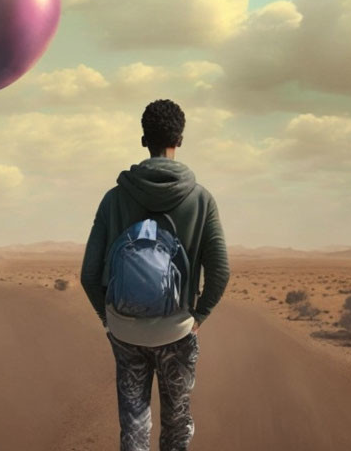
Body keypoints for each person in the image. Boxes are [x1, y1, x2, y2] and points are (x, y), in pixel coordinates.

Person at [80, 99, 230, 451]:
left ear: (144, 139)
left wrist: (110, 318)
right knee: (176, 425)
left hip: (125, 329)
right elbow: (221, 271)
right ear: (180, 139)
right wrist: (199, 317)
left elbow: (88, 274)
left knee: (134, 422)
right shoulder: (201, 200)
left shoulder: (114, 198)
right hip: (177, 330)